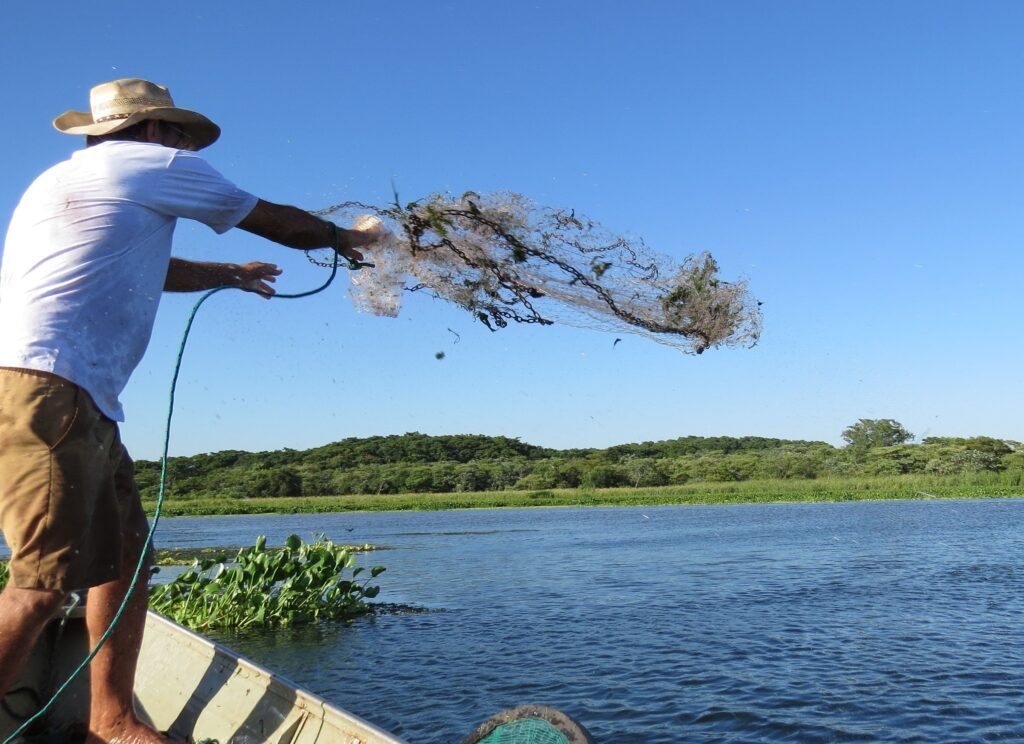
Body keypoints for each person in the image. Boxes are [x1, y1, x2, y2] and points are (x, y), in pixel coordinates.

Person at [0, 78, 375, 744]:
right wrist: (344, 236)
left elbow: (153, 269)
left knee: (125, 557)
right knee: (42, 585)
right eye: (177, 132)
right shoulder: (153, 164)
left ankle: (110, 721)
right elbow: (278, 221)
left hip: (72, 395)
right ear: (149, 131)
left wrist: (228, 275)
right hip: (48, 388)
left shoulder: (76, 181)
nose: (185, 146)